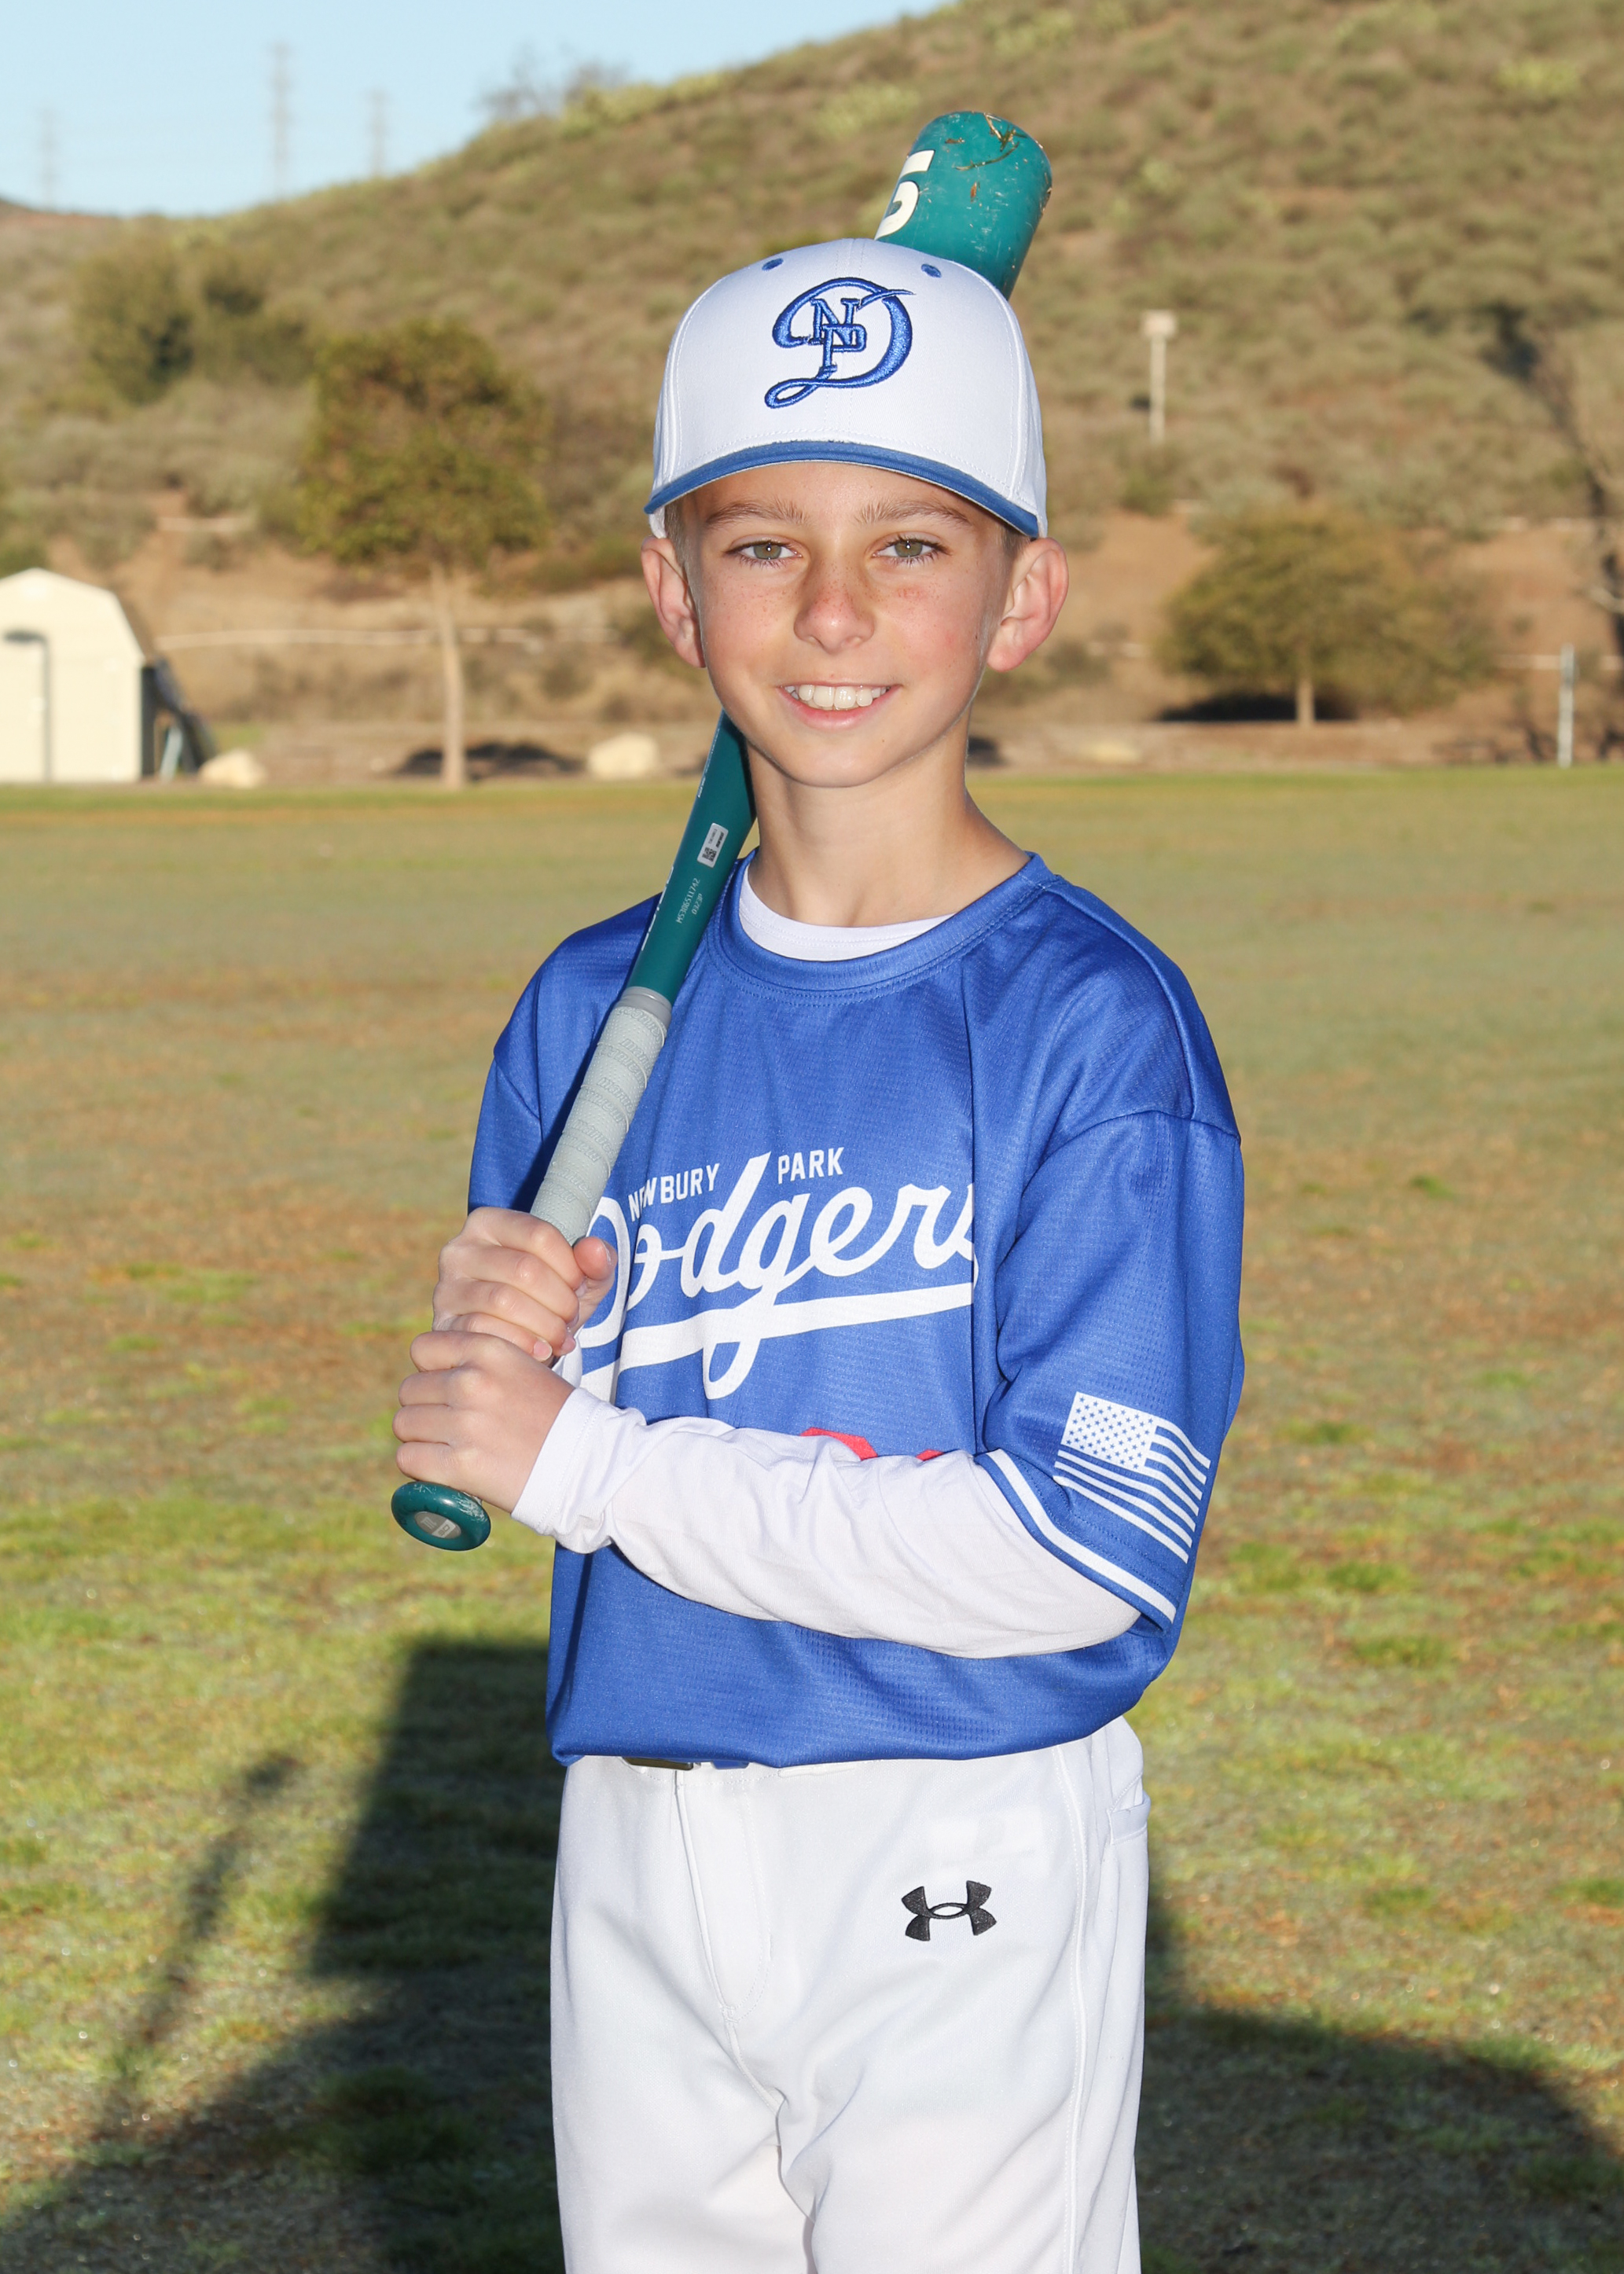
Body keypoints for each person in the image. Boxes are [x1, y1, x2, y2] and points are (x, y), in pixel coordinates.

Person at [393, 236, 1244, 2273]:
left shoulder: (1090, 1025)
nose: (835, 612)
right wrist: (508, 1355)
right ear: (671, 590)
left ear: (1021, 598)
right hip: (635, 1829)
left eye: (912, 547)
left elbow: (1080, 1559)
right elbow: (538, 1427)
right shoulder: (588, 1009)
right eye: (763, 547)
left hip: (956, 1824)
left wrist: (586, 1460)